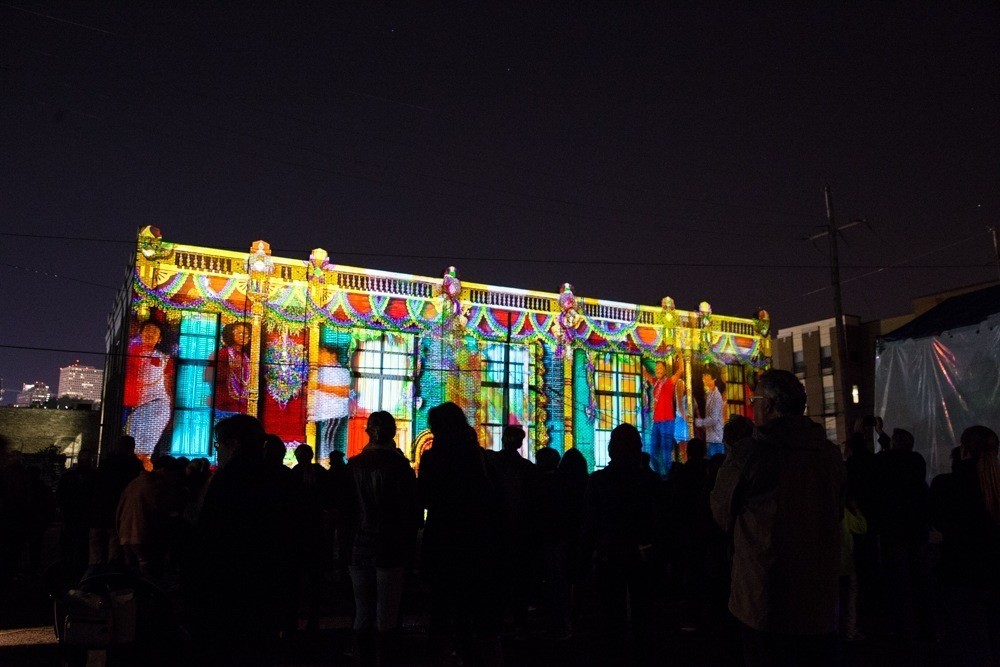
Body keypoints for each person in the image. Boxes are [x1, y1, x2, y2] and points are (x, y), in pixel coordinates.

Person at [710, 369, 846, 666]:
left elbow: (721, 512)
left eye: (754, 400)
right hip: (819, 596)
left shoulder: (749, 455)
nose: (752, 406)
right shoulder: (829, 454)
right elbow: (837, 511)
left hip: (764, 596)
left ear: (769, 406)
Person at [191, 414, 294, 665]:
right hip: (268, 581)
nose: (217, 452)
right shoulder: (278, 476)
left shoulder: (228, 478)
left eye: (218, 445)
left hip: (231, 582)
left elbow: (210, 532)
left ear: (234, 445)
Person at [419, 402, 503, 664]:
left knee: (441, 609)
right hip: (473, 541)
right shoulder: (478, 457)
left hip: (442, 539)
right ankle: (472, 654)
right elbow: (491, 497)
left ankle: (442, 655)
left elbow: (424, 497)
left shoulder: (433, 458)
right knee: (471, 608)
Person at [341, 411, 420, 665]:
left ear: (368, 432)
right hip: (390, 547)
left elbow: (346, 511)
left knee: (362, 612)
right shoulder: (400, 467)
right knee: (387, 614)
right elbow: (410, 512)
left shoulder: (353, 465)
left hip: (359, 546)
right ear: (393, 433)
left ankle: (361, 657)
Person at [582, 423, 662, 663]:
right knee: (644, 614)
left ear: (611, 449)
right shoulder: (650, 480)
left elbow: (590, 522)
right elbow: (660, 521)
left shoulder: (599, 480)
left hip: (609, 554)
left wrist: (586, 556)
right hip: (643, 554)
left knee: (612, 615)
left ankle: (614, 655)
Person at [929, 425, 1000, 666]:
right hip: (993, 576)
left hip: (960, 576)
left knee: (969, 646)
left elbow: (936, 524)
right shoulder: (993, 486)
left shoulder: (945, 485)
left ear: (963, 449)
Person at [490, 424, 539, 632]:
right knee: (519, 580)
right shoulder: (528, 468)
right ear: (520, 443)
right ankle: (519, 622)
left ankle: (497, 622)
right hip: (520, 532)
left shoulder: (491, 464)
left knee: (498, 580)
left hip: (496, 531)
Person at [124, 320, 174, 463]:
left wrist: (170, 409)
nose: (150, 334)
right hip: (136, 406)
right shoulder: (131, 354)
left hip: (157, 404)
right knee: (133, 445)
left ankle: (144, 462)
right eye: (147, 330)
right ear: (141, 333)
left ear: (159, 338)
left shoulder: (165, 359)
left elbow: (168, 385)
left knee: (145, 448)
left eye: (154, 332)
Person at [309, 343, 352, 462]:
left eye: (323, 353)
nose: (320, 356)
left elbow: (344, 391)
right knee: (321, 442)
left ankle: (327, 463)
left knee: (326, 441)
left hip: (333, 414)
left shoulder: (342, 371)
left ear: (332, 355)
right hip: (319, 415)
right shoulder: (319, 370)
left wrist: (321, 387)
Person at [646, 358, 685, 476]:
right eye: (656, 368)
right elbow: (645, 374)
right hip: (656, 422)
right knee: (652, 451)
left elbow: (681, 370)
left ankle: (668, 478)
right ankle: (658, 475)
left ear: (664, 370)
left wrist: (680, 355)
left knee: (666, 452)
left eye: (660, 368)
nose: (658, 370)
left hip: (667, 421)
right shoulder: (655, 382)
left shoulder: (669, 381)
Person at [206, 321, 252, 418]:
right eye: (240, 333)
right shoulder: (222, 354)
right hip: (224, 406)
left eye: (246, 334)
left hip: (243, 406)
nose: (243, 336)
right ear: (230, 334)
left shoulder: (246, 357)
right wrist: (230, 369)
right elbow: (209, 376)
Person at [695, 369, 726, 457]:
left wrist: (698, 422)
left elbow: (713, 419)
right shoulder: (709, 394)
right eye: (703, 376)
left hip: (716, 438)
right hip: (711, 437)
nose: (704, 379)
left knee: (716, 460)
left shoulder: (716, 396)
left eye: (706, 376)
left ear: (714, 379)